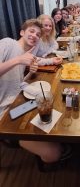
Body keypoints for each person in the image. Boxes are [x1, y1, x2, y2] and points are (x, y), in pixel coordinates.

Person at [0, 19, 67, 164]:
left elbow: (38, 60)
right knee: (53, 154)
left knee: (52, 103)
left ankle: (53, 140)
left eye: (38, 34)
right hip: (5, 111)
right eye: (31, 31)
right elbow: (20, 60)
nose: (34, 36)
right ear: (22, 32)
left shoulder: (26, 52)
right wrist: (18, 60)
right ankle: (15, 137)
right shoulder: (7, 43)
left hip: (18, 101)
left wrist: (52, 61)